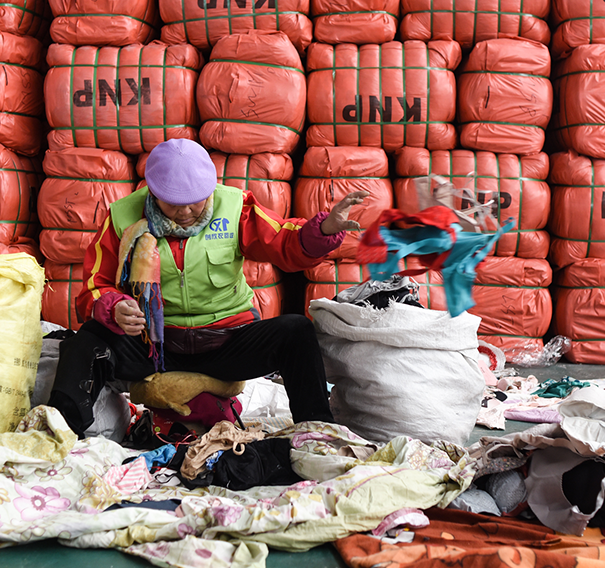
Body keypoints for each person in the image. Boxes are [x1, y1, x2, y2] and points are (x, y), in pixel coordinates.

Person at [49, 138, 368, 437]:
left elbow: (285, 242)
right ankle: (59, 431)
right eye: (174, 204)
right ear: (153, 193)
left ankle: (315, 433)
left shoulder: (234, 207)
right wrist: (114, 307)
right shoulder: (122, 217)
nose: (186, 212)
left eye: (196, 202)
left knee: (296, 331)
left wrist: (324, 229)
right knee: (86, 340)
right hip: (155, 346)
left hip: (227, 345)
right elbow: (94, 286)